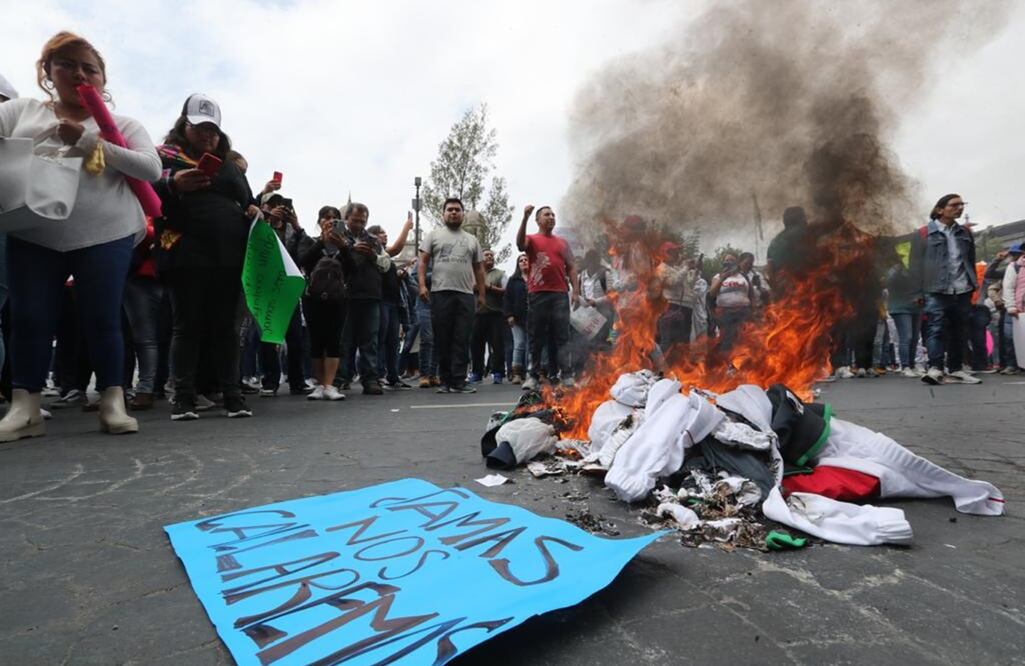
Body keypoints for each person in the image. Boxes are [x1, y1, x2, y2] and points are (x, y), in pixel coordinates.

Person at [0, 32, 160, 441]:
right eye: (66, 64)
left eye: (89, 67)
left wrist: (89, 141)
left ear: (103, 79)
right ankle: (26, 404)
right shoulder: (21, 111)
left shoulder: (123, 124)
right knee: (29, 318)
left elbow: (150, 169)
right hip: (32, 231)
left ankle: (112, 401)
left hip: (105, 234)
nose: (78, 73)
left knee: (102, 318)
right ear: (47, 71)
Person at [154, 93, 260, 420]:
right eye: (201, 128)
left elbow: (248, 198)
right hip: (187, 255)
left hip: (228, 258)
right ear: (184, 126)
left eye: (213, 130)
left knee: (226, 329)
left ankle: (232, 395)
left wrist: (254, 209)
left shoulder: (229, 166)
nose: (208, 136)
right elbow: (142, 185)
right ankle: (184, 397)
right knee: (187, 327)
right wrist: (173, 182)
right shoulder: (165, 158)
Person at [909, 194, 980, 385]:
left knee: (960, 330)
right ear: (940, 209)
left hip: (963, 288)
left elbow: (970, 260)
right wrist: (916, 292)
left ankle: (956, 369)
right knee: (936, 328)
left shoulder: (965, 233)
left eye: (962, 204)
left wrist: (973, 284)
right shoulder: (923, 233)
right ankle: (936, 368)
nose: (960, 208)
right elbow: (914, 266)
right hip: (936, 289)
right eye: (954, 205)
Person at [418, 197, 485, 394]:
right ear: (443, 214)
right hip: (440, 293)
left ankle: (458, 381)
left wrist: (481, 294)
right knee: (442, 338)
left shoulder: (472, 240)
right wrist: (422, 285)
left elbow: (479, 269)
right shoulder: (433, 236)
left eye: (457, 209)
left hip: (465, 294)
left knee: (462, 338)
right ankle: (445, 381)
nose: (453, 212)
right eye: (450, 210)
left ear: (463, 214)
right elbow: (422, 262)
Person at [516, 205, 580, 390]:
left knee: (562, 336)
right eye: (546, 215)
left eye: (553, 215)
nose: (551, 217)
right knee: (536, 337)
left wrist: (575, 291)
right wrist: (524, 217)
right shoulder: (532, 239)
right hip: (538, 294)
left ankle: (565, 374)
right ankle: (533, 375)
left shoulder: (562, 243)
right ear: (538, 220)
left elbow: (572, 267)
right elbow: (520, 245)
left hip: (560, 294)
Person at [256, 192, 309, 397]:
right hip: (267, 288)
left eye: (282, 205)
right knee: (268, 336)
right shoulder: (260, 226)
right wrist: (269, 221)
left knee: (295, 338)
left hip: (288, 288)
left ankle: (298, 380)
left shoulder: (292, 231)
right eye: (273, 205)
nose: (279, 208)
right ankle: (269, 380)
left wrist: (296, 225)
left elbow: (305, 254)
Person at [336, 203, 391, 395]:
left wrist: (373, 256)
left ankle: (370, 379)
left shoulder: (373, 241)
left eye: (363, 221)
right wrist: (348, 248)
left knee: (370, 341)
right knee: (344, 339)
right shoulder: (339, 236)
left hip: (371, 295)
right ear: (347, 219)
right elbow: (331, 259)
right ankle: (340, 378)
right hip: (347, 295)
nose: (359, 224)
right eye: (355, 220)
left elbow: (386, 264)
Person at [299, 206, 347, 401]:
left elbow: (352, 268)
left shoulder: (346, 244)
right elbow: (303, 262)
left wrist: (343, 247)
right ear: (319, 221)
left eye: (335, 219)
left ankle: (330, 384)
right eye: (326, 218)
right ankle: (319, 384)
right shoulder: (309, 241)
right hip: (313, 298)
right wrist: (321, 242)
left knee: (334, 340)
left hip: (338, 299)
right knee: (317, 341)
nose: (330, 221)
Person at [469, 249, 506, 384]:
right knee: (476, 345)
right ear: (480, 258)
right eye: (486, 255)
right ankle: (477, 373)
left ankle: (498, 373)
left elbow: (505, 290)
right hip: (476, 315)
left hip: (495, 314)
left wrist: (487, 287)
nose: (490, 256)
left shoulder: (500, 274)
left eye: (491, 255)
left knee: (497, 346)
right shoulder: (472, 272)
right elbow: (468, 287)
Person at [884, 249, 922, 377]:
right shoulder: (893, 270)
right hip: (900, 307)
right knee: (907, 337)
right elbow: (888, 283)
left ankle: (912, 365)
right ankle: (905, 366)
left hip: (916, 306)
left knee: (915, 338)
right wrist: (897, 269)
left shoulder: (915, 269)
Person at [709, 253, 753, 364]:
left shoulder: (743, 276)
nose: (729, 262)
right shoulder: (718, 276)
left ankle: (741, 365)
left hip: (743, 312)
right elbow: (712, 293)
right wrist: (723, 278)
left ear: (737, 263)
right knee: (726, 340)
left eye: (731, 260)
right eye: (726, 260)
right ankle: (727, 366)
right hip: (725, 313)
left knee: (743, 339)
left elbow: (751, 294)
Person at [656, 242, 695, 357]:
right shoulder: (661, 269)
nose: (677, 254)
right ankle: (663, 370)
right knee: (668, 342)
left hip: (686, 307)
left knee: (682, 342)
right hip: (671, 306)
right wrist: (686, 267)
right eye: (673, 252)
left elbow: (689, 284)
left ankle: (679, 370)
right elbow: (672, 283)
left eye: (677, 251)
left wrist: (695, 270)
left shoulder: (676, 268)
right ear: (665, 254)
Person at [503, 253, 530, 384]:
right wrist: (509, 315)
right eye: (521, 260)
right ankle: (517, 374)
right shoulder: (513, 280)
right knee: (519, 344)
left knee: (532, 346)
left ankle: (531, 373)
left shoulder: (536, 278)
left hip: (533, 317)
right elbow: (507, 298)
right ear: (518, 264)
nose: (524, 262)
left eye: (526, 259)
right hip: (517, 318)